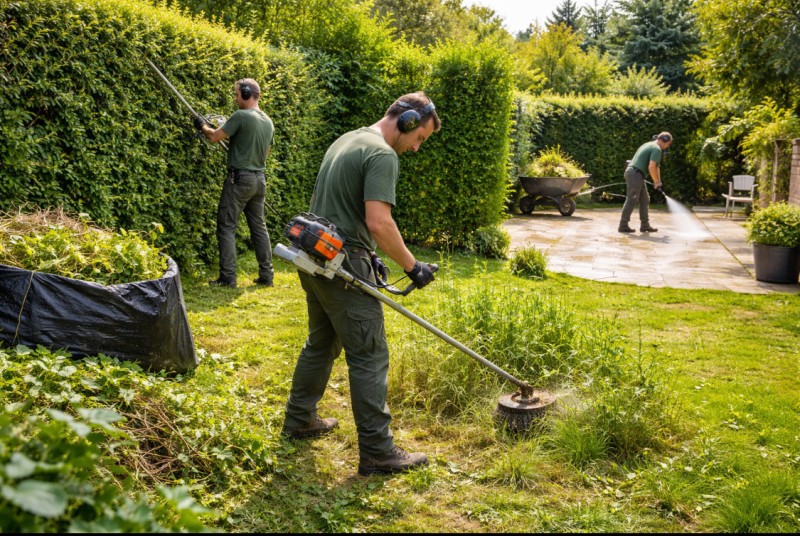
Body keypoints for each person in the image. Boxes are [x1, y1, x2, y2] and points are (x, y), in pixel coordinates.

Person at [281, 92, 441, 476]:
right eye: (420, 137)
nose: (417, 147)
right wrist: (412, 265)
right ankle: (377, 450)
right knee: (369, 353)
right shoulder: (382, 154)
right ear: (406, 121)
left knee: (322, 342)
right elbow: (379, 222)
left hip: (314, 255)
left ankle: (299, 419)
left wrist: (369, 253)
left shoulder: (348, 138)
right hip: (341, 265)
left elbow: (340, 208)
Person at [194, 78, 275, 288]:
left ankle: (228, 278)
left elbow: (214, 137)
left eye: (237, 94)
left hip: (239, 180)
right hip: (259, 180)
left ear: (247, 94)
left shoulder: (241, 116)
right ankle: (267, 275)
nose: (235, 98)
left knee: (226, 227)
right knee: (259, 227)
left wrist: (201, 124)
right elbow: (265, 153)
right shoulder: (268, 121)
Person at [618, 132, 673, 233]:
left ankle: (645, 225)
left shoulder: (648, 144)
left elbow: (656, 167)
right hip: (635, 174)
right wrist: (656, 181)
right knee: (632, 199)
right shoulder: (657, 149)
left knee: (645, 199)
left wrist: (658, 181)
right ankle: (623, 225)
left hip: (636, 173)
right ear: (663, 140)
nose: (667, 146)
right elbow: (651, 166)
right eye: (667, 144)